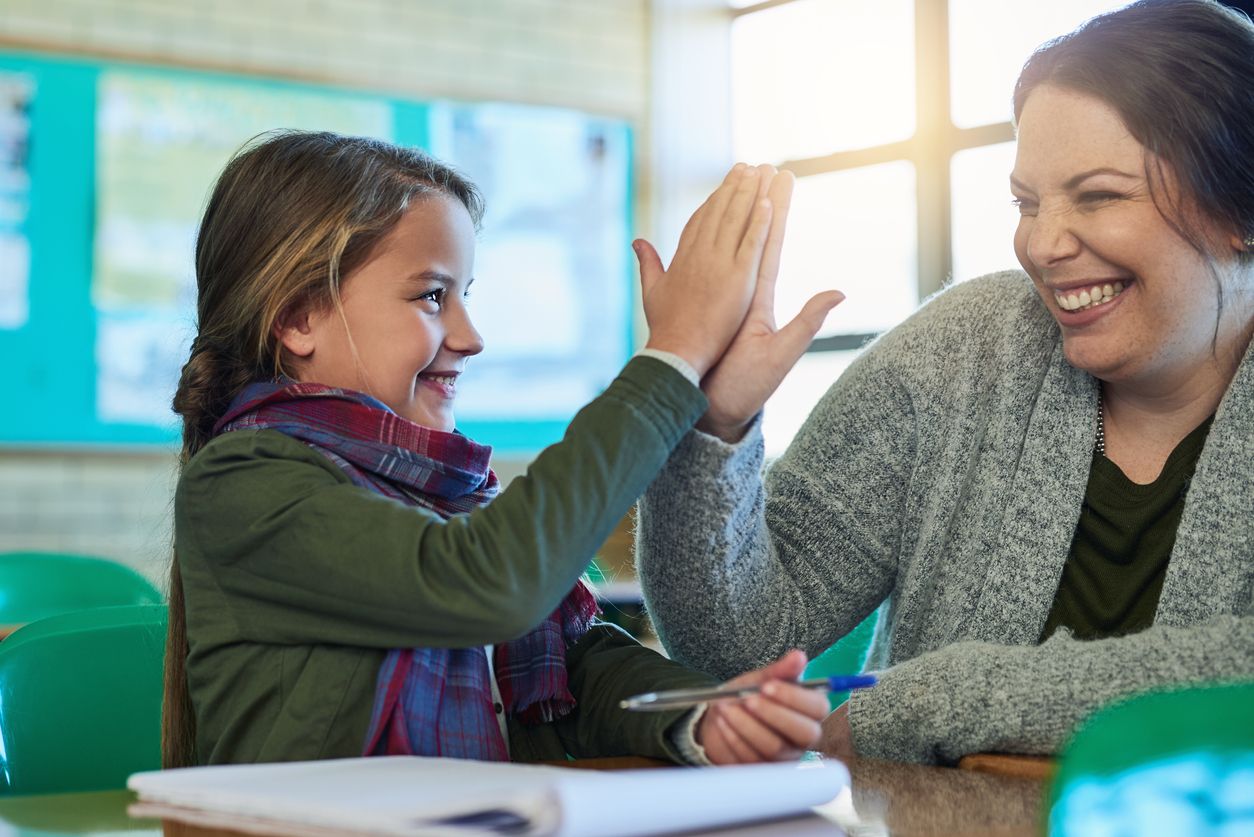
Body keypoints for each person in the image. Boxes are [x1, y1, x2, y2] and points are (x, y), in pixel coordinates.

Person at [635, 0, 1254, 765]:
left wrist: (934, 698)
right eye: (1026, 203)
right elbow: (737, 648)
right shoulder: (958, 354)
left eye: (1098, 195)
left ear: (1240, 210)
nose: (1042, 244)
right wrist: (713, 427)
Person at [162, 131, 838, 768]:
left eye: (466, 295)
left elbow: (572, 672)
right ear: (298, 318)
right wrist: (674, 355)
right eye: (432, 296)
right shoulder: (240, 482)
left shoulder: (441, 489)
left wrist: (703, 715)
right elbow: (490, 583)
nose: (470, 334)